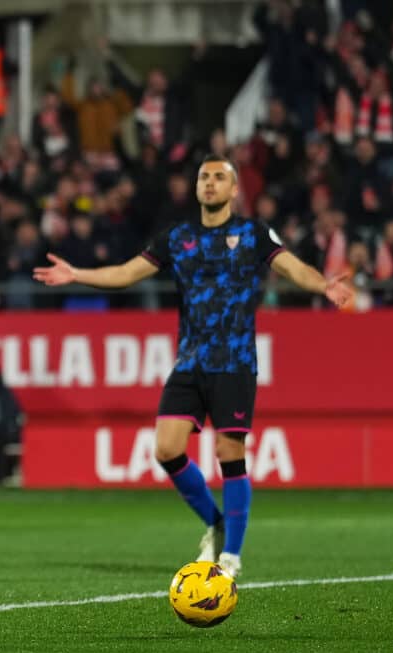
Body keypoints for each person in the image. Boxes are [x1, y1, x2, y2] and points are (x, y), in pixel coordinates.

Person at [34, 154, 353, 578]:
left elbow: (292, 266)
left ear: (234, 190)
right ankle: (216, 523)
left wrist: (323, 284)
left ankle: (232, 557)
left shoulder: (252, 233)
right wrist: (77, 275)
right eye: (204, 176)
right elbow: (128, 273)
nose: (210, 183)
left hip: (235, 361)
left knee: (228, 451)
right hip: (191, 360)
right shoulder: (178, 237)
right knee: (166, 448)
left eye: (220, 177)